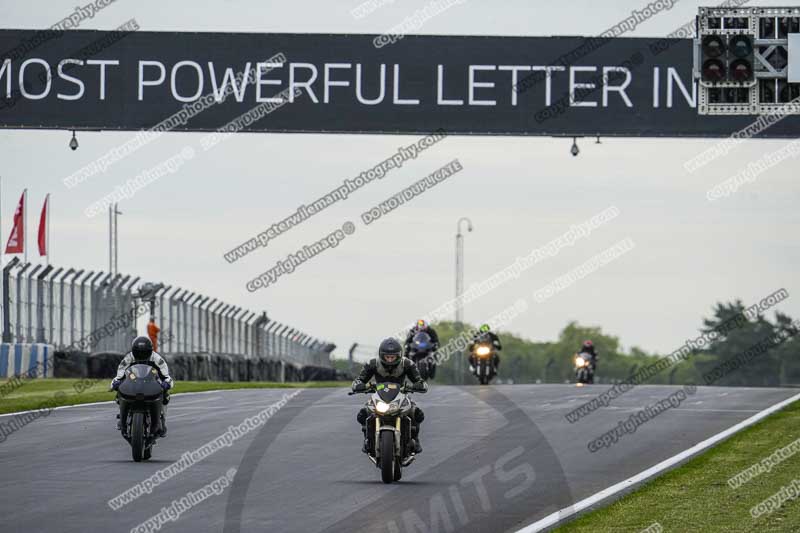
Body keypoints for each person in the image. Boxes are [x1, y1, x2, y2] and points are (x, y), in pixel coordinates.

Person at [352, 337, 428, 454]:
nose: (390, 359)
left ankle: (415, 439)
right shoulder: (372, 364)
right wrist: (360, 386)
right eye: (387, 357)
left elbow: (420, 381)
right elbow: (359, 380)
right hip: (379, 396)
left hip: (401, 395)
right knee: (363, 414)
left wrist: (418, 385)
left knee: (417, 413)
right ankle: (367, 439)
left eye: (393, 357)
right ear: (382, 355)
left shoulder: (407, 364)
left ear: (399, 355)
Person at [110, 336, 173, 437]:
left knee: (165, 395)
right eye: (138, 352)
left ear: (150, 351)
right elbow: (119, 375)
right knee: (119, 393)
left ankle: (162, 419)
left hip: (152, 382)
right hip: (133, 381)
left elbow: (167, 377)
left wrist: (166, 384)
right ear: (134, 351)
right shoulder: (128, 358)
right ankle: (122, 417)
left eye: (144, 352)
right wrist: (115, 383)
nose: (141, 355)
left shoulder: (157, 359)